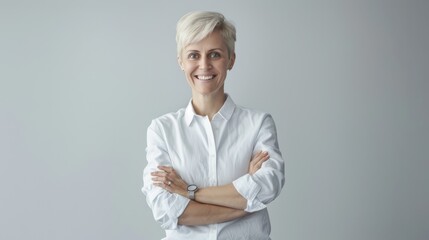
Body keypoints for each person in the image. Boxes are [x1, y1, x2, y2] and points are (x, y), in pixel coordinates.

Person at [142, 11, 285, 240]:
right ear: (180, 61)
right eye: (193, 55)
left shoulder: (258, 124)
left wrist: (190, 192)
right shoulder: (162, 130)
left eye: (215, 54)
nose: (204, 65)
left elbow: (268, 186)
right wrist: (246, 201)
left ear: (231, 59)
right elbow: (167, 210)